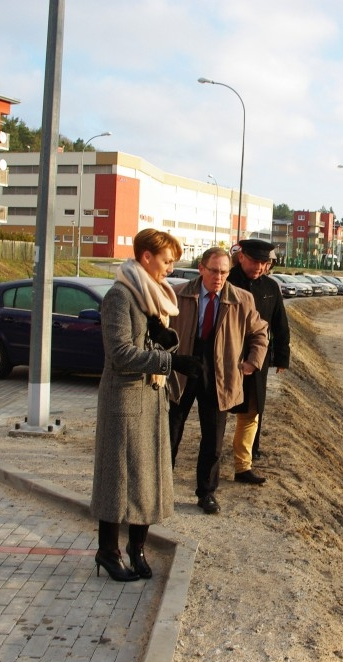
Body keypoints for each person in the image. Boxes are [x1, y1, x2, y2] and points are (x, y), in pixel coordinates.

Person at [90, 228, 203, 582]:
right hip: (124, 402)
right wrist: (173, 363)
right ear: (146, 257)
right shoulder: (119, 297)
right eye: (168, 261)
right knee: (118, 478)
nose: (171, 268)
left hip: (152, 401)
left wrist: (164, 341)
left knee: (147, 478)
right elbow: (120, 354)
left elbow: (148, 346)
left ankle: (136, 550)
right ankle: (107, 552)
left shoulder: (151, 297)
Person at [168, 246, 269, 514]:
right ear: (201, 269)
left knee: (213, 438)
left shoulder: (242, 299)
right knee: (170, 432)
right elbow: (161, 330)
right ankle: (161, 487)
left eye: (224, 272)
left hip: (221, 374)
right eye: (214, 271)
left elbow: (260, 332)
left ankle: (207, 493)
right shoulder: (178, 295)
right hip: (183, 369)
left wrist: (252, 361)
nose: (219, 277)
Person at [227, 239, 290, 485]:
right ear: (241, 256)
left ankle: (244, 465)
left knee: (252, 412)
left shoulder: (271, 287)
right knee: (218, 413)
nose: (259, 267)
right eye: (255, 261)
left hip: (257, 359)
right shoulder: (226, 280)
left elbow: (280, 325)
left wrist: (282, 357)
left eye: (264, 263)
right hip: (225, 357)